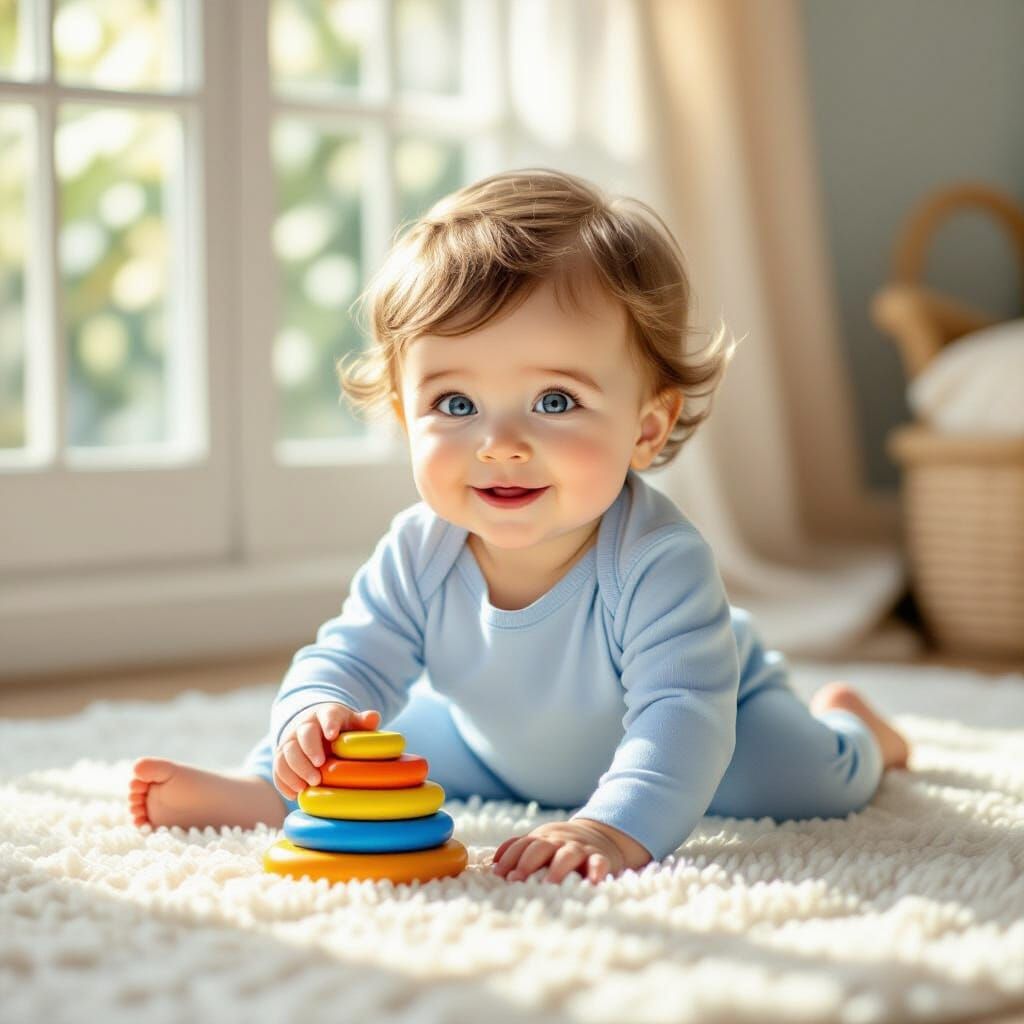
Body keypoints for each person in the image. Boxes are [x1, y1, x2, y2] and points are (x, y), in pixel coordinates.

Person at [129, 168, 910, 884]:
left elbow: (681, 719)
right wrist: (312, 715)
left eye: (555, 401)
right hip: (489, 743)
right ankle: (266, 786)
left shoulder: (658, 559)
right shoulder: (419, 549)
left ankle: (863, 731)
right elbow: (352, 656)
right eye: (456, 405)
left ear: (645, 427)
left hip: (719, 722)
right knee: (366, 744)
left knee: (805, 785)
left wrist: (611, 829)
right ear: (406, 417)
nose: (500, 442)